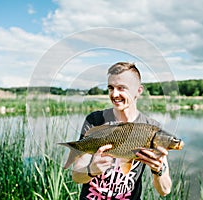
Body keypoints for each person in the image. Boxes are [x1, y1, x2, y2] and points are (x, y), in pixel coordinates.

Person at [71, 62, 172, 199]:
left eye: (121, 88)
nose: (115, 94)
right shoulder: (95, 121)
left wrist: (158, 170)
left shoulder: (151, 128)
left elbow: (165, 190)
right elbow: (76, 177)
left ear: (138, 91)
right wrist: (91, 170)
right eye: (111, 88)